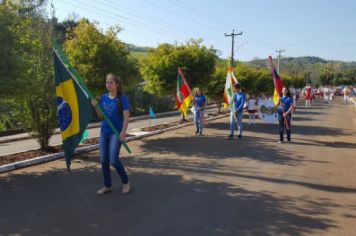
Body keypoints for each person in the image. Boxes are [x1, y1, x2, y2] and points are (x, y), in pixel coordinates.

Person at [91, 73, 131, 195]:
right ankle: (107, 185)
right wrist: (96, 106)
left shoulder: (122, 98)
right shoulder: (103, 98)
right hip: (104, 132)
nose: (108, 85)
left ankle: (126, 182)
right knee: (103, 160)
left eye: (111, 82)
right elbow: (101, 116)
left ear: (117, 85)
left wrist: (123, 132)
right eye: (107, 82)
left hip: (116, 133)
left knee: (113, 160)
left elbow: (126, 117)